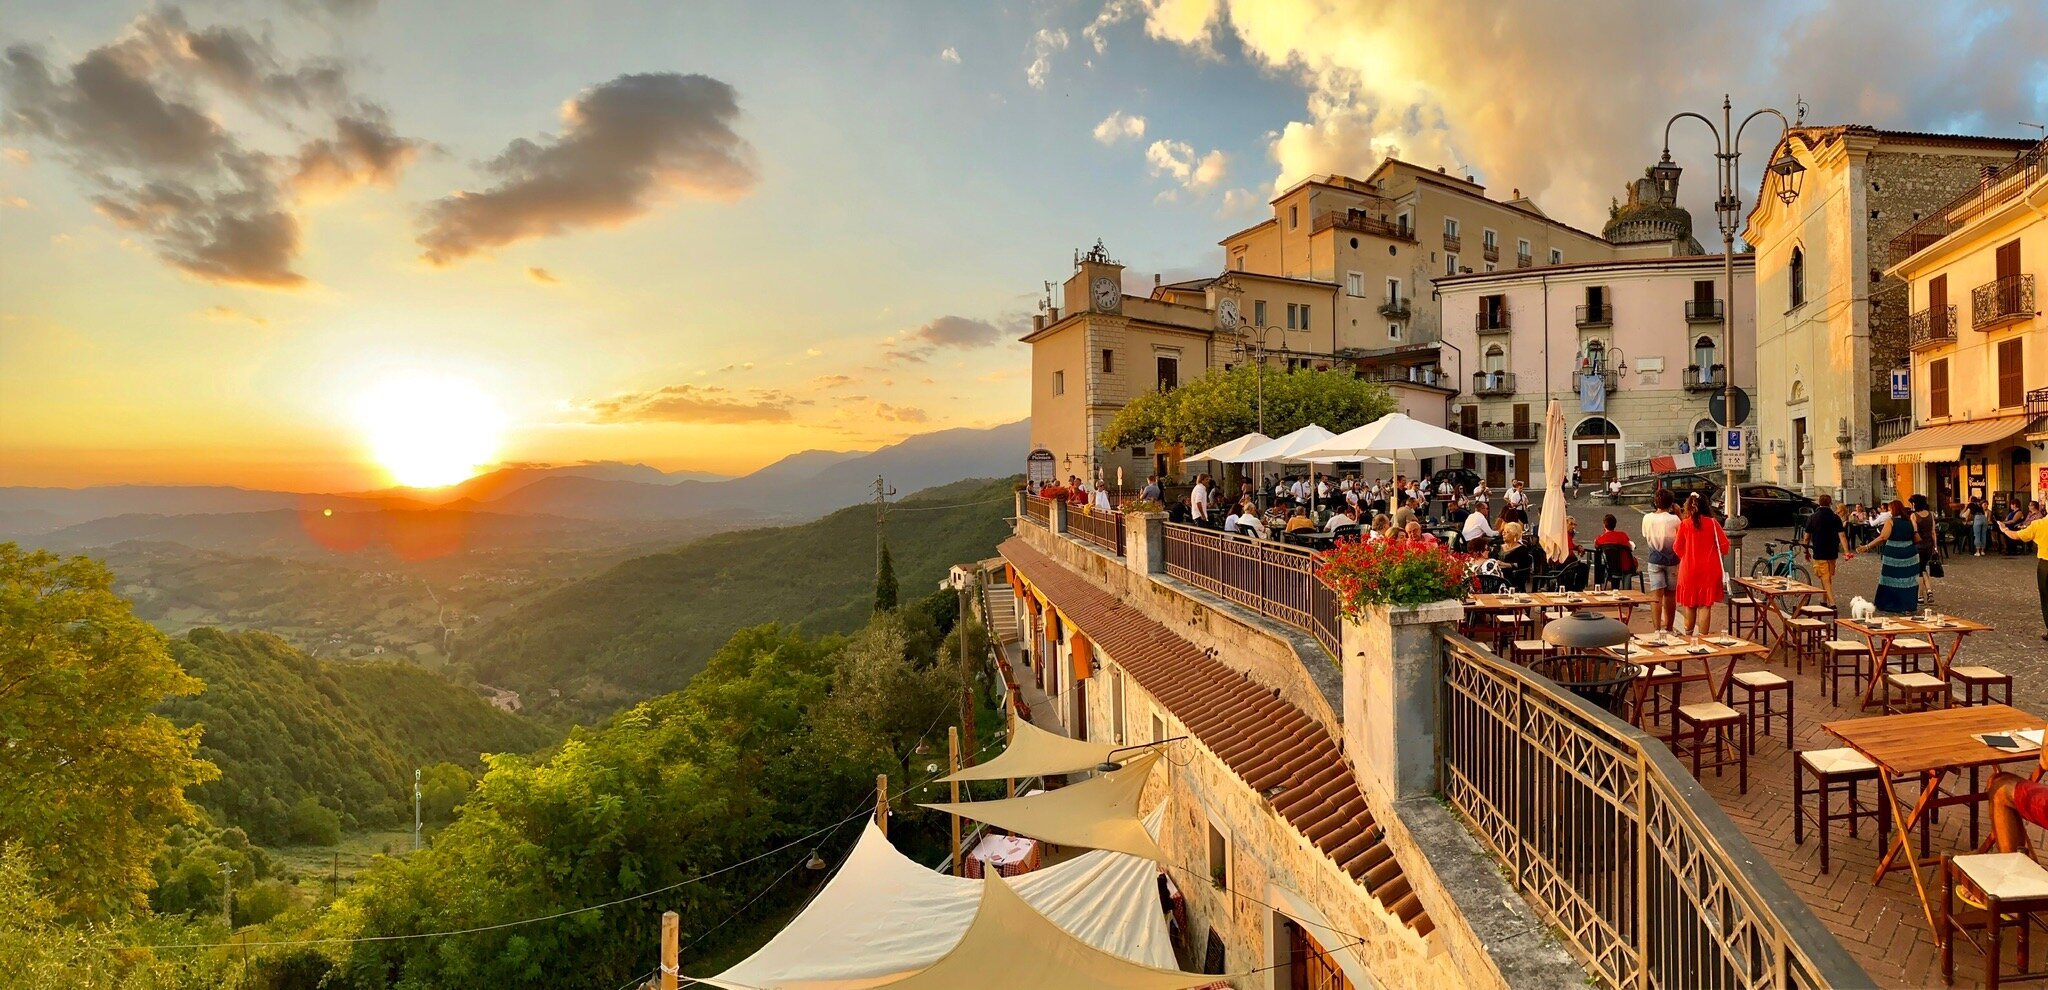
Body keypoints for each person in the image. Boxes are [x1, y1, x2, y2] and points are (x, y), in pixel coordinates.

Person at [1672, 492, 1730, 635]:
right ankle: (1704, 638)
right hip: (1709, 570)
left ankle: (1689, 636)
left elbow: (1677, 548)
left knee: (1689, 605)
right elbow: (1725, 547)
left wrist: (1687, 555)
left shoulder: (1685, 524)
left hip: (1688, 569)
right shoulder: (1713, 523)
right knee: (1705, 606)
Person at [1856, 499, 1920, 615]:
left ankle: (1891, 604)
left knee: (1890, 578)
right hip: (1910, 553)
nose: (1889, 512)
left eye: (1890, 509)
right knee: (1907, 580)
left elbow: (1883, 537)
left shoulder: (1891, 521)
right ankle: (1908, 605)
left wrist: (1867, 546)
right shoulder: (1910, 521)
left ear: (1894, 510)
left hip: (1894, 553)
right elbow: (1916, 537)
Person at [1995, 509, 2048, 642]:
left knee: (2046, 597)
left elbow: (2016, 536)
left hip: (2045, 565)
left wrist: (2004, 529)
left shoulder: (2039, 524)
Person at [1640, 489, 1681, 633]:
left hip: (1654, 559)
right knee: (1670, 594)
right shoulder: (1674, 519)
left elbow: (1645, 534)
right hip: (1672, 560)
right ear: (1671, 503)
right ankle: (1669, 627)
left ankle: (1656, 628)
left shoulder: (1647, 518)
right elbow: (1681, 534)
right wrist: (1678, 513)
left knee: (1656, 595)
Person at [1803, 494, 1846, 606]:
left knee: (1825, 577)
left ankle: (1832, 603)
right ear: (1830, 503)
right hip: (1832, 551)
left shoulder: (1812, 517)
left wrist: (1806, 551)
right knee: (1827, 576)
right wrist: (1846, 552)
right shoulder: (1835, 518)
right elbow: (1842, 536)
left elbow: (1807, 537)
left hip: (1819, 550)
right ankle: (1824, 600)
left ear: (1819, 503)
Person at [1910, 493, 1939, 605]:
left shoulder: (1914, 516)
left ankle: (1920, 596)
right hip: (1929, 545)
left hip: (1919, 546)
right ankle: (1930, 592)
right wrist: (1935, 546)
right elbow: (1933, 532)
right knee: (1923, 568)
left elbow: (1915, 531)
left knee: (1919, 571)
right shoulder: (1931, 514)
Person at [1498, 522, 1543, 592]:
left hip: (1512, 577)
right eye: (1503, 532)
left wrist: (1504, 564)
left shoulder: (1522, 549)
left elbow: (1523, 565)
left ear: (1514, 535)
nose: (1503, 534)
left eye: (1507, 532)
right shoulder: (1498, 547)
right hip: (1496, 575)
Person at [1593, 513, 1636, 587]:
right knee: (1630, 563)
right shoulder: (1622, 535)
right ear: (1615, 524)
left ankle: (1613, 587)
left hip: (1611, 567)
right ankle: (1627, 589)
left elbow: (1596, 545)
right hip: (1625, 567)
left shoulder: (1600, 538)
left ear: (1604, 525)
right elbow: (1630, 547)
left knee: (1611, 568)